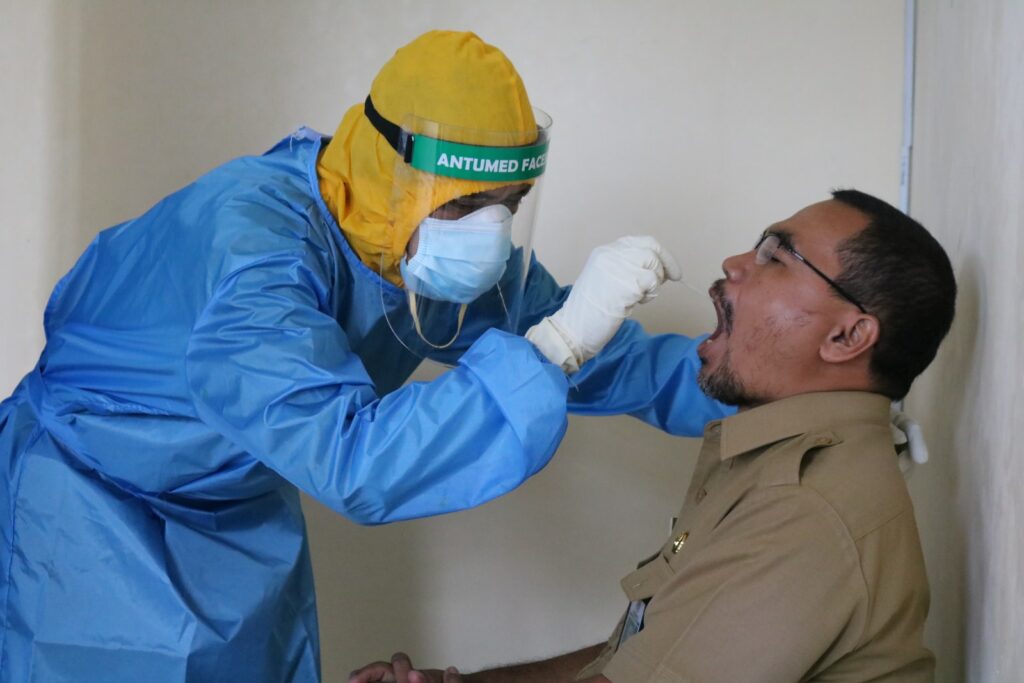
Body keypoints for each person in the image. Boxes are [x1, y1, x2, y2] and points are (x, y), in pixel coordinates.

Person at [0, 31, 733, 682]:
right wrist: (561, 342)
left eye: (507, 202)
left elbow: (595, 358)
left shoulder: (411, 242)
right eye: (459, 205)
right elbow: (356, 461)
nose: (486, 231)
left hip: (232, 524)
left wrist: (758, 389)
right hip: (95, 516)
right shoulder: (256, 251)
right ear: (391, 170)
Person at [349, 189, 957, 683]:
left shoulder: (808, 509)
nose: (734, 264)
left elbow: (359, 469)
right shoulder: (769, 462)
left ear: (848, 339)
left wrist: (560, 344)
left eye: (776, 256)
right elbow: (634, 657)